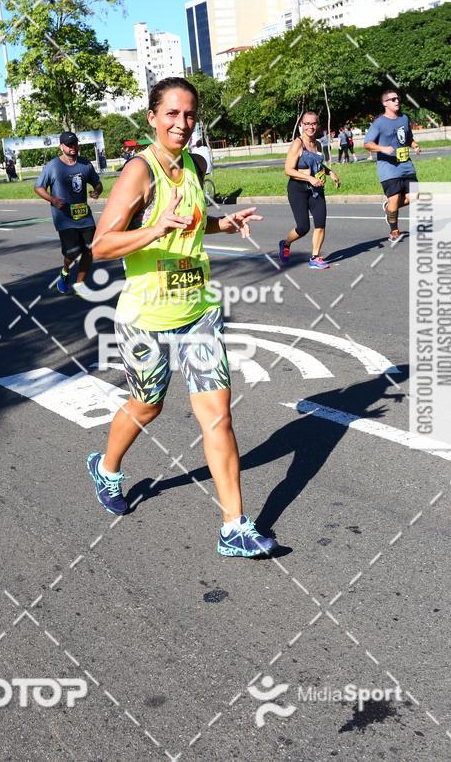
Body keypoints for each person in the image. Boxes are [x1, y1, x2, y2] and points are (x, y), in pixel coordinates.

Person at [88, 76, 276, 558]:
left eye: (189, 114)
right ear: (152, 117)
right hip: (146, 316)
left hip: (198, 310)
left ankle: (234, 526)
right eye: (171, 114)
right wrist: (153, 228)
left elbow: (189, 220)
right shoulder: (140, 171)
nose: (181, 123)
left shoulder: (193, 163)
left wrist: (222, 223)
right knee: (147, 404)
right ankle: (107, 468)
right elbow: (102, 245)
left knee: (217, 418)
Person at [34, 131, 103, 295]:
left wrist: (97, 191)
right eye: (68, 145)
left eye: (74, 144)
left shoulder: (85, 164)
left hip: (84, 216)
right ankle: (65, 272)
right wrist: (53, 200)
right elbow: (38, 187)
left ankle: (80, 285)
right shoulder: (53, 166)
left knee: (89, 250)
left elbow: (98, 184)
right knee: (72, 253)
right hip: (64, 218)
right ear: (61, 147)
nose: (72, 147)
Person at [278, 110, 341, 270]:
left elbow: (317, 165)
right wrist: (310, 178)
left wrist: (330, 172)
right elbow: (288, 170)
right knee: (303, 227)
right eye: (307, 124)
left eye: (313, 123)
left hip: (316, 189)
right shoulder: (298, 144)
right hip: (298, 189)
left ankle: (315, 257)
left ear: (317, 125)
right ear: (302, 125)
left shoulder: (318, 144)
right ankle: (285, 243)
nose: (310, 127)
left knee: (320, 223)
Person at [364, 90, 421, 242]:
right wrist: (382, 149)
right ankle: (394, 231)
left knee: (415, 197)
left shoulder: (404, 118)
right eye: (393, 99)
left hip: (406, 166)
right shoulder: (379, 123)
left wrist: (414, 145)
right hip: (388, 169)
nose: (397, 101)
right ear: (385, 103)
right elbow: (367, 144)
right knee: (395, 200)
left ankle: (389, 207)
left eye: (398, 98)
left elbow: (408, 137)